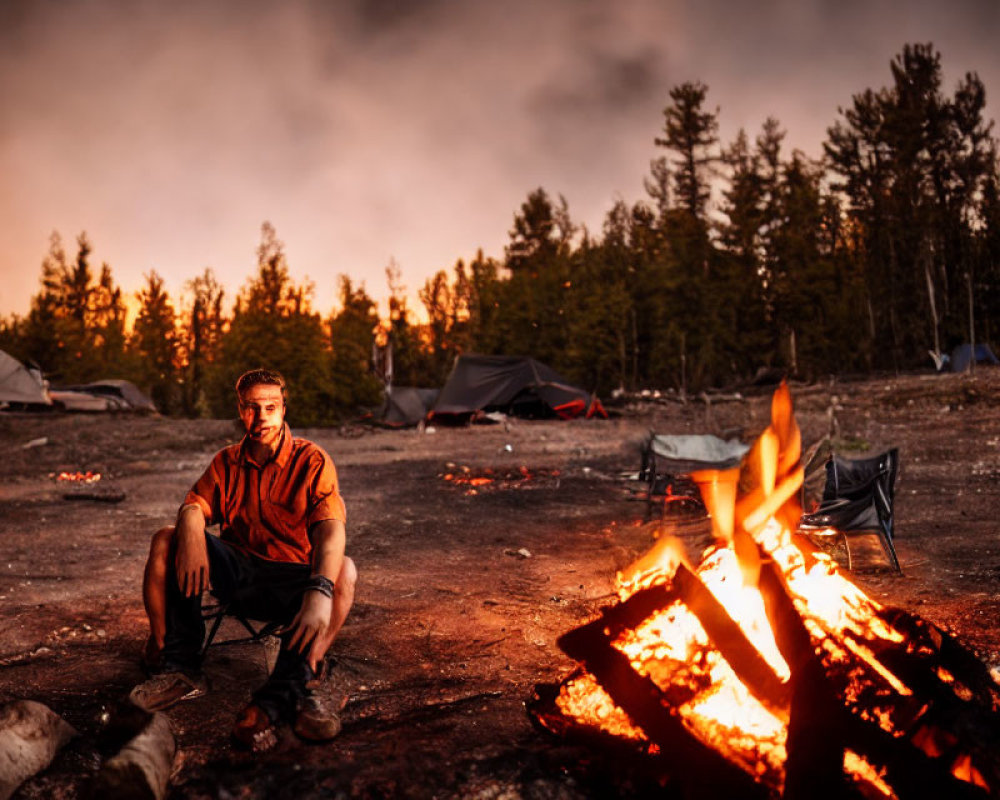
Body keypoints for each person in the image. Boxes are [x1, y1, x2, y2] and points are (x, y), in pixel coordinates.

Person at [130, 368, 357, 750]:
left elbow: (330, 529)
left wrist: (319, 589)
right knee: (168, 540)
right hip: (238, 575)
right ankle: (178, 666)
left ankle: (304, 681)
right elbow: (197, 503)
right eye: (252, 408)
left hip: (292, 583)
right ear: (240, 409)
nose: (262, 416)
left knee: (345, 570)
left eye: (271, 407)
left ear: (284, 409)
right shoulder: (226, 462)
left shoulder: (312, 460)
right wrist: (189, 519)